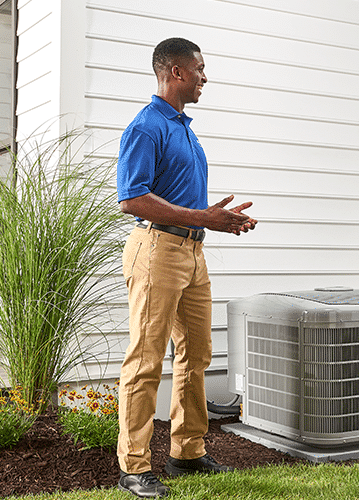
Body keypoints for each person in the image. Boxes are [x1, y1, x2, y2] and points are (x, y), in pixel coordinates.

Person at [115, 37, 256, 499]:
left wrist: (222, 221)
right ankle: (134, 466)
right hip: (155, 252)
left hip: (192, 254)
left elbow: (184, 200)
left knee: (196, 354)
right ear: (176, 71)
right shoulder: (146, 127)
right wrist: (203, 218)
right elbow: (132, 199)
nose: (204, 77)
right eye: (199, 68)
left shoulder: (185, 129)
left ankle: (188, 452)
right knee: (146, 359)